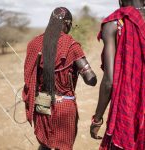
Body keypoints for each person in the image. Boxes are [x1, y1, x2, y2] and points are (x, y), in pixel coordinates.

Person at [22, 7, 97, 150]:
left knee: (45, 144)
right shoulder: (71, 45)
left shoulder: (34, 44)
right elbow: (91, 78)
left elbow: (28, 77)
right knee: (63, 147)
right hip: (64, 107)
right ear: (67, 24)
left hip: (42, 103)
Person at [90, 0, 145, 149]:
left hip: (128, 112)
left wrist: (97, 119)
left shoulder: (115, 24)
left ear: (120, 1)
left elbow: (109, 81)